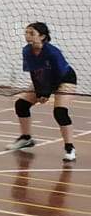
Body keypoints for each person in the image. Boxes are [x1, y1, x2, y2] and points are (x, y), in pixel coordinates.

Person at [10, 21, 76, 162]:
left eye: (31, 33)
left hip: (64, 79)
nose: (27, 36)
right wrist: (40, 92)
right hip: (44, 78)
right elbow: (34, 73)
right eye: (26, 33)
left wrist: (46, 93)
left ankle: (69, 148)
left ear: (42, 36)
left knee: (60, 112)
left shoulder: (52, 52)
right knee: (21, 104)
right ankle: (26, 138)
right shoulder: (27, 51)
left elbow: (57, 76)